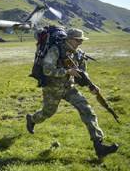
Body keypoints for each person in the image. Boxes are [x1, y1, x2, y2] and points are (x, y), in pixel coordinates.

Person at [26, 28, 118, 159]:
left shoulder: (79, 53)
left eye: (81, 40)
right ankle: (31, 119)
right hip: (52, 89)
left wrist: (91, 85)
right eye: (77, 40)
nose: (80, 43)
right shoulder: (56, 50)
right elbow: (47, 70)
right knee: (47, 113)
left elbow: (82, 74)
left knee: (87, 110)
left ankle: (99, 146)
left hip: (69, 88)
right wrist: (67, 72)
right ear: (68, 39)